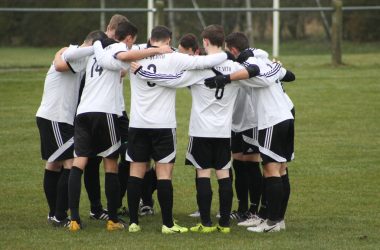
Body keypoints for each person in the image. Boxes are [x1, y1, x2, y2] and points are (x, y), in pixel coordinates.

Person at [121, 25, 229, 234]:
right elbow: (206, 61)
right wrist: (225, 54)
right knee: (164, 173)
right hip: (163, 125)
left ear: (151, 38)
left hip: (138, 124)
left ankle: (134, 222)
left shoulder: (136, 54)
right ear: (168, 41)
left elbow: (119, 58)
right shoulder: (173, 57)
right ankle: (167, 224)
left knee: (136, 171)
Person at [68, 20, 172, 232]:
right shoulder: (117, 48)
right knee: (110, 165)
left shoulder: (95, 52)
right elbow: (125, 58)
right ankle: (112, 218)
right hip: (105, 112)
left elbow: (70, 57)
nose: (131, 47)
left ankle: (74, 219)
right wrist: (157, 51)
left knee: (79, 163)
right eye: (131, 43)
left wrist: (94, 47)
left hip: (83, 112)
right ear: (128, 39)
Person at [205, 33, 296, 232]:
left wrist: (225, 78)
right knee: (281, 169)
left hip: (272, 119)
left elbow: (252, 71)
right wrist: (276, 68)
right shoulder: (265, 61)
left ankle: (271, 222)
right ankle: (278, 219)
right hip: (286, 117)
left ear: (235, 50)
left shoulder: (252, 64)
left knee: (271, 170)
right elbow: (291, 76)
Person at [36, 30, 107, 227]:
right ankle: (60, 216)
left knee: (54, 164)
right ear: (92, 44)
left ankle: (55, 214)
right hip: (55, 118)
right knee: (71, 163)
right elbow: (65, 59)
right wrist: (98, 48)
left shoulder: (76, 56)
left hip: (56, 118)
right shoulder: (73, 52)